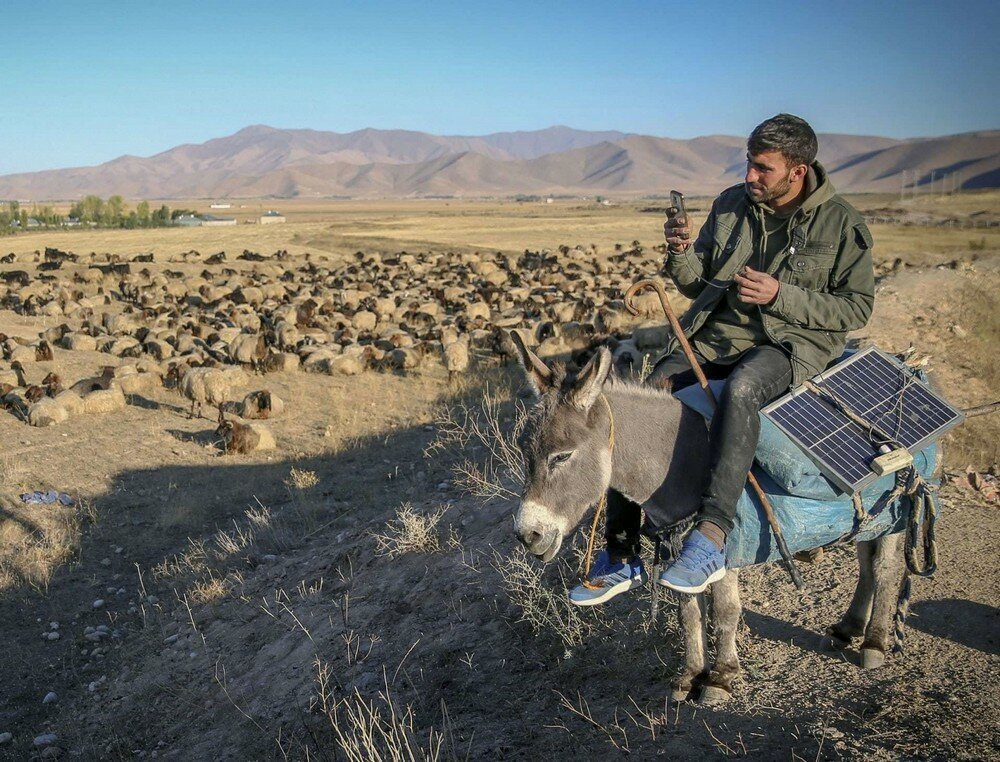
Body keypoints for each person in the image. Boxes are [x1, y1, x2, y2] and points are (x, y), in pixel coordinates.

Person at [570, 113, 875, 605]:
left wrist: (781, 295)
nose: (750, 176)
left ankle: (711, 536)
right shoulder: (733, 204)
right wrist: (681, 253)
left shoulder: (841, 223)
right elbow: (696, 283)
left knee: (744, 390)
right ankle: (622, 553)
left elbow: (857, 307)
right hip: (715, 338)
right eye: (748, 164)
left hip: (789, 344)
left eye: (763, 169)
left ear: (798, 170)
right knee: (638, 402)